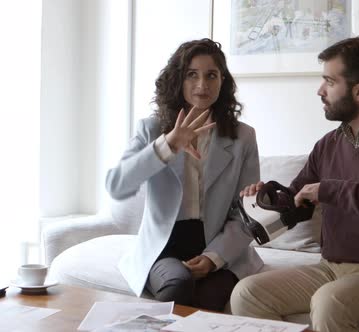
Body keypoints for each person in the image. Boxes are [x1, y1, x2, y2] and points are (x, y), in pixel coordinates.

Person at [230, 36, 359, 332]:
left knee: (331, 303)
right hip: (332, 268)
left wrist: (331, 190)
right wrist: (268, 199)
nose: (320, 91)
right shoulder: (328, 144)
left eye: (329, 81)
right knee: (247, 293)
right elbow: (298, 201)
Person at [105, 38, 263, 312]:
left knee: (210, 296)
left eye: (211, 75)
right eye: (192, 75)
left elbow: (247, 212)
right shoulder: (151, 130)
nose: (202, 85)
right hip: (165, 247)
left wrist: (215, 257)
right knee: (177, 285)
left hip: (219, 244)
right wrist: (169, 144)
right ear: (178, 79)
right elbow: (118, 185)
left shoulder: (243, 137)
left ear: (222, 81)